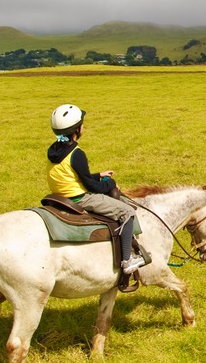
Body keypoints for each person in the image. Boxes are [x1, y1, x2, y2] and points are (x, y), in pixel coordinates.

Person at [46, 104, 148, 273]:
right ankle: (127, 260)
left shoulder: (54, 149)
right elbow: (92, 186)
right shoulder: (76, 153)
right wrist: (110, 183)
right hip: (79, 198)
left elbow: (72, 175)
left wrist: (98, 174)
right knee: (127, 212)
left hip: (59, 196)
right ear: (77, 129)